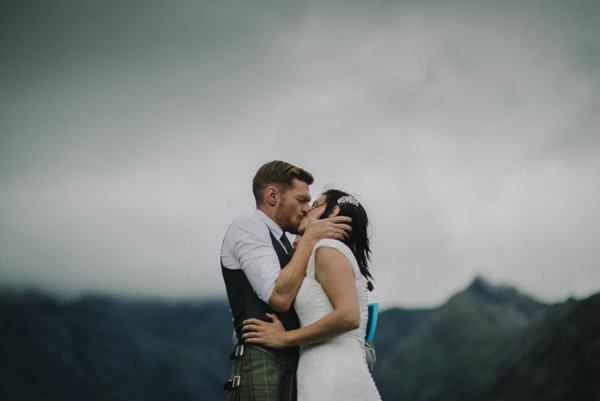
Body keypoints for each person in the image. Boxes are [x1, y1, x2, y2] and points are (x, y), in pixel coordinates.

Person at [221, 161, 353, 401]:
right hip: (262, 361)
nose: (306, 209)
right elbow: (279, 297)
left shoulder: (285, 242)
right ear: (273, 195)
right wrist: (311, 237)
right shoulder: (248, 226)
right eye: (301, 200)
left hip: (298, 365)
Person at [242, 189, 382, 401]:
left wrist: (284, 338)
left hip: (332, 373)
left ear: (333, 211)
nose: (307, 209)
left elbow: (348, 316)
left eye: (315, 204)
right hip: (320, 371)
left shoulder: (328, 249)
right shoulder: (324, 252)